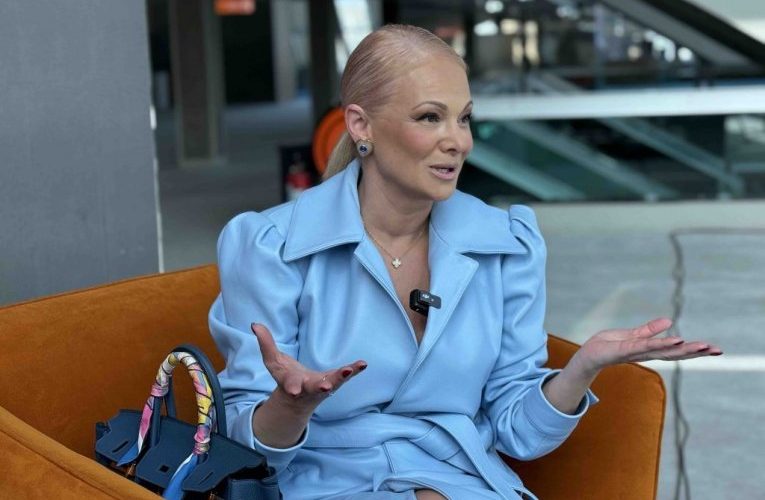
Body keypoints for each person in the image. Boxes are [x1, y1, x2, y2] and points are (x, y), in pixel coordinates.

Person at [208, 24, 721, 500]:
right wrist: (290, 406)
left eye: (465, 117)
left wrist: (580, 368)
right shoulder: (270, 246)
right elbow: (247, 450)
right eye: (430, 117)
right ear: (361, 124)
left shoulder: (507, 244)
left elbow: (518, 432)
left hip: (461, 482)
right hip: (320, 486)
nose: (460, 142)